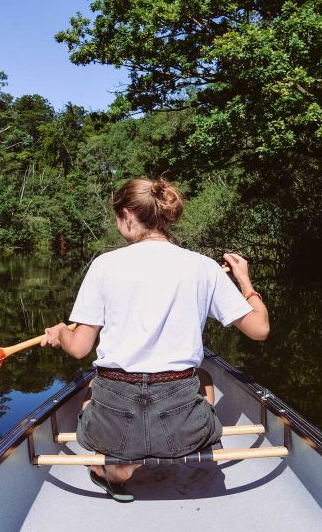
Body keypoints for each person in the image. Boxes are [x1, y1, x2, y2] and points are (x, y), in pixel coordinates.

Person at [41, 178, 269, 502]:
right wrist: (246, 282)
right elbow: (259, 329)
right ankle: (184, 442)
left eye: (118, 218)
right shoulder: (203, 267)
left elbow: (79, 349)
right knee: (203, 377)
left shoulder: (104, 265)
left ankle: (122, 465)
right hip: (181, 431)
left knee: (93, 388)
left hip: (111, 430)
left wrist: (63, 333)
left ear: (129, 215)